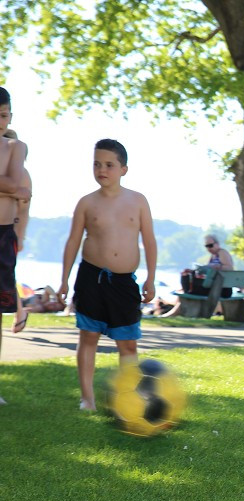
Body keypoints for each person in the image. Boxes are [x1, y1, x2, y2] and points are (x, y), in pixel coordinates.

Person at [57, 139, 157, 411]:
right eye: (97, 164)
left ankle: (128, 396)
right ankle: (87, 398)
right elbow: (73, 242)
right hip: (91, 278)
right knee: (88, 337)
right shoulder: (87, 203)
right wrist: (64, 280)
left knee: (127, 343)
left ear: (124, 169)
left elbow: (149, 241)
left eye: (109, 165)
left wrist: (150, 278)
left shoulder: (138, 201)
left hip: (124, 283)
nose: (102, 169)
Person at [0, 88, 30, 394]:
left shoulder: (17, 147)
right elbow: (10, 187)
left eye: (4, 115)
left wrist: (9, 188)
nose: (0, 121)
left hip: (4, 233)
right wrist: (8, 188)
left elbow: (16, 184)